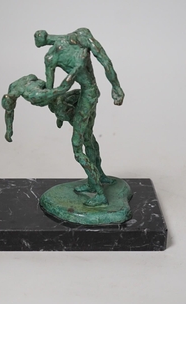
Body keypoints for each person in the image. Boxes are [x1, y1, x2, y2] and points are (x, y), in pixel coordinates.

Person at [34, 28, 125, 207]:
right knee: (88, 138)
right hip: (89, 93)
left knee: (77, 146)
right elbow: (104, 61)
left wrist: (51, 104)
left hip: (87, 95)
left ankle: (99, 193)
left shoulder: (51, 57)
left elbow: (52, 93)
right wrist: (116, 87)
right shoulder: (80, 36)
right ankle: (98, 177)